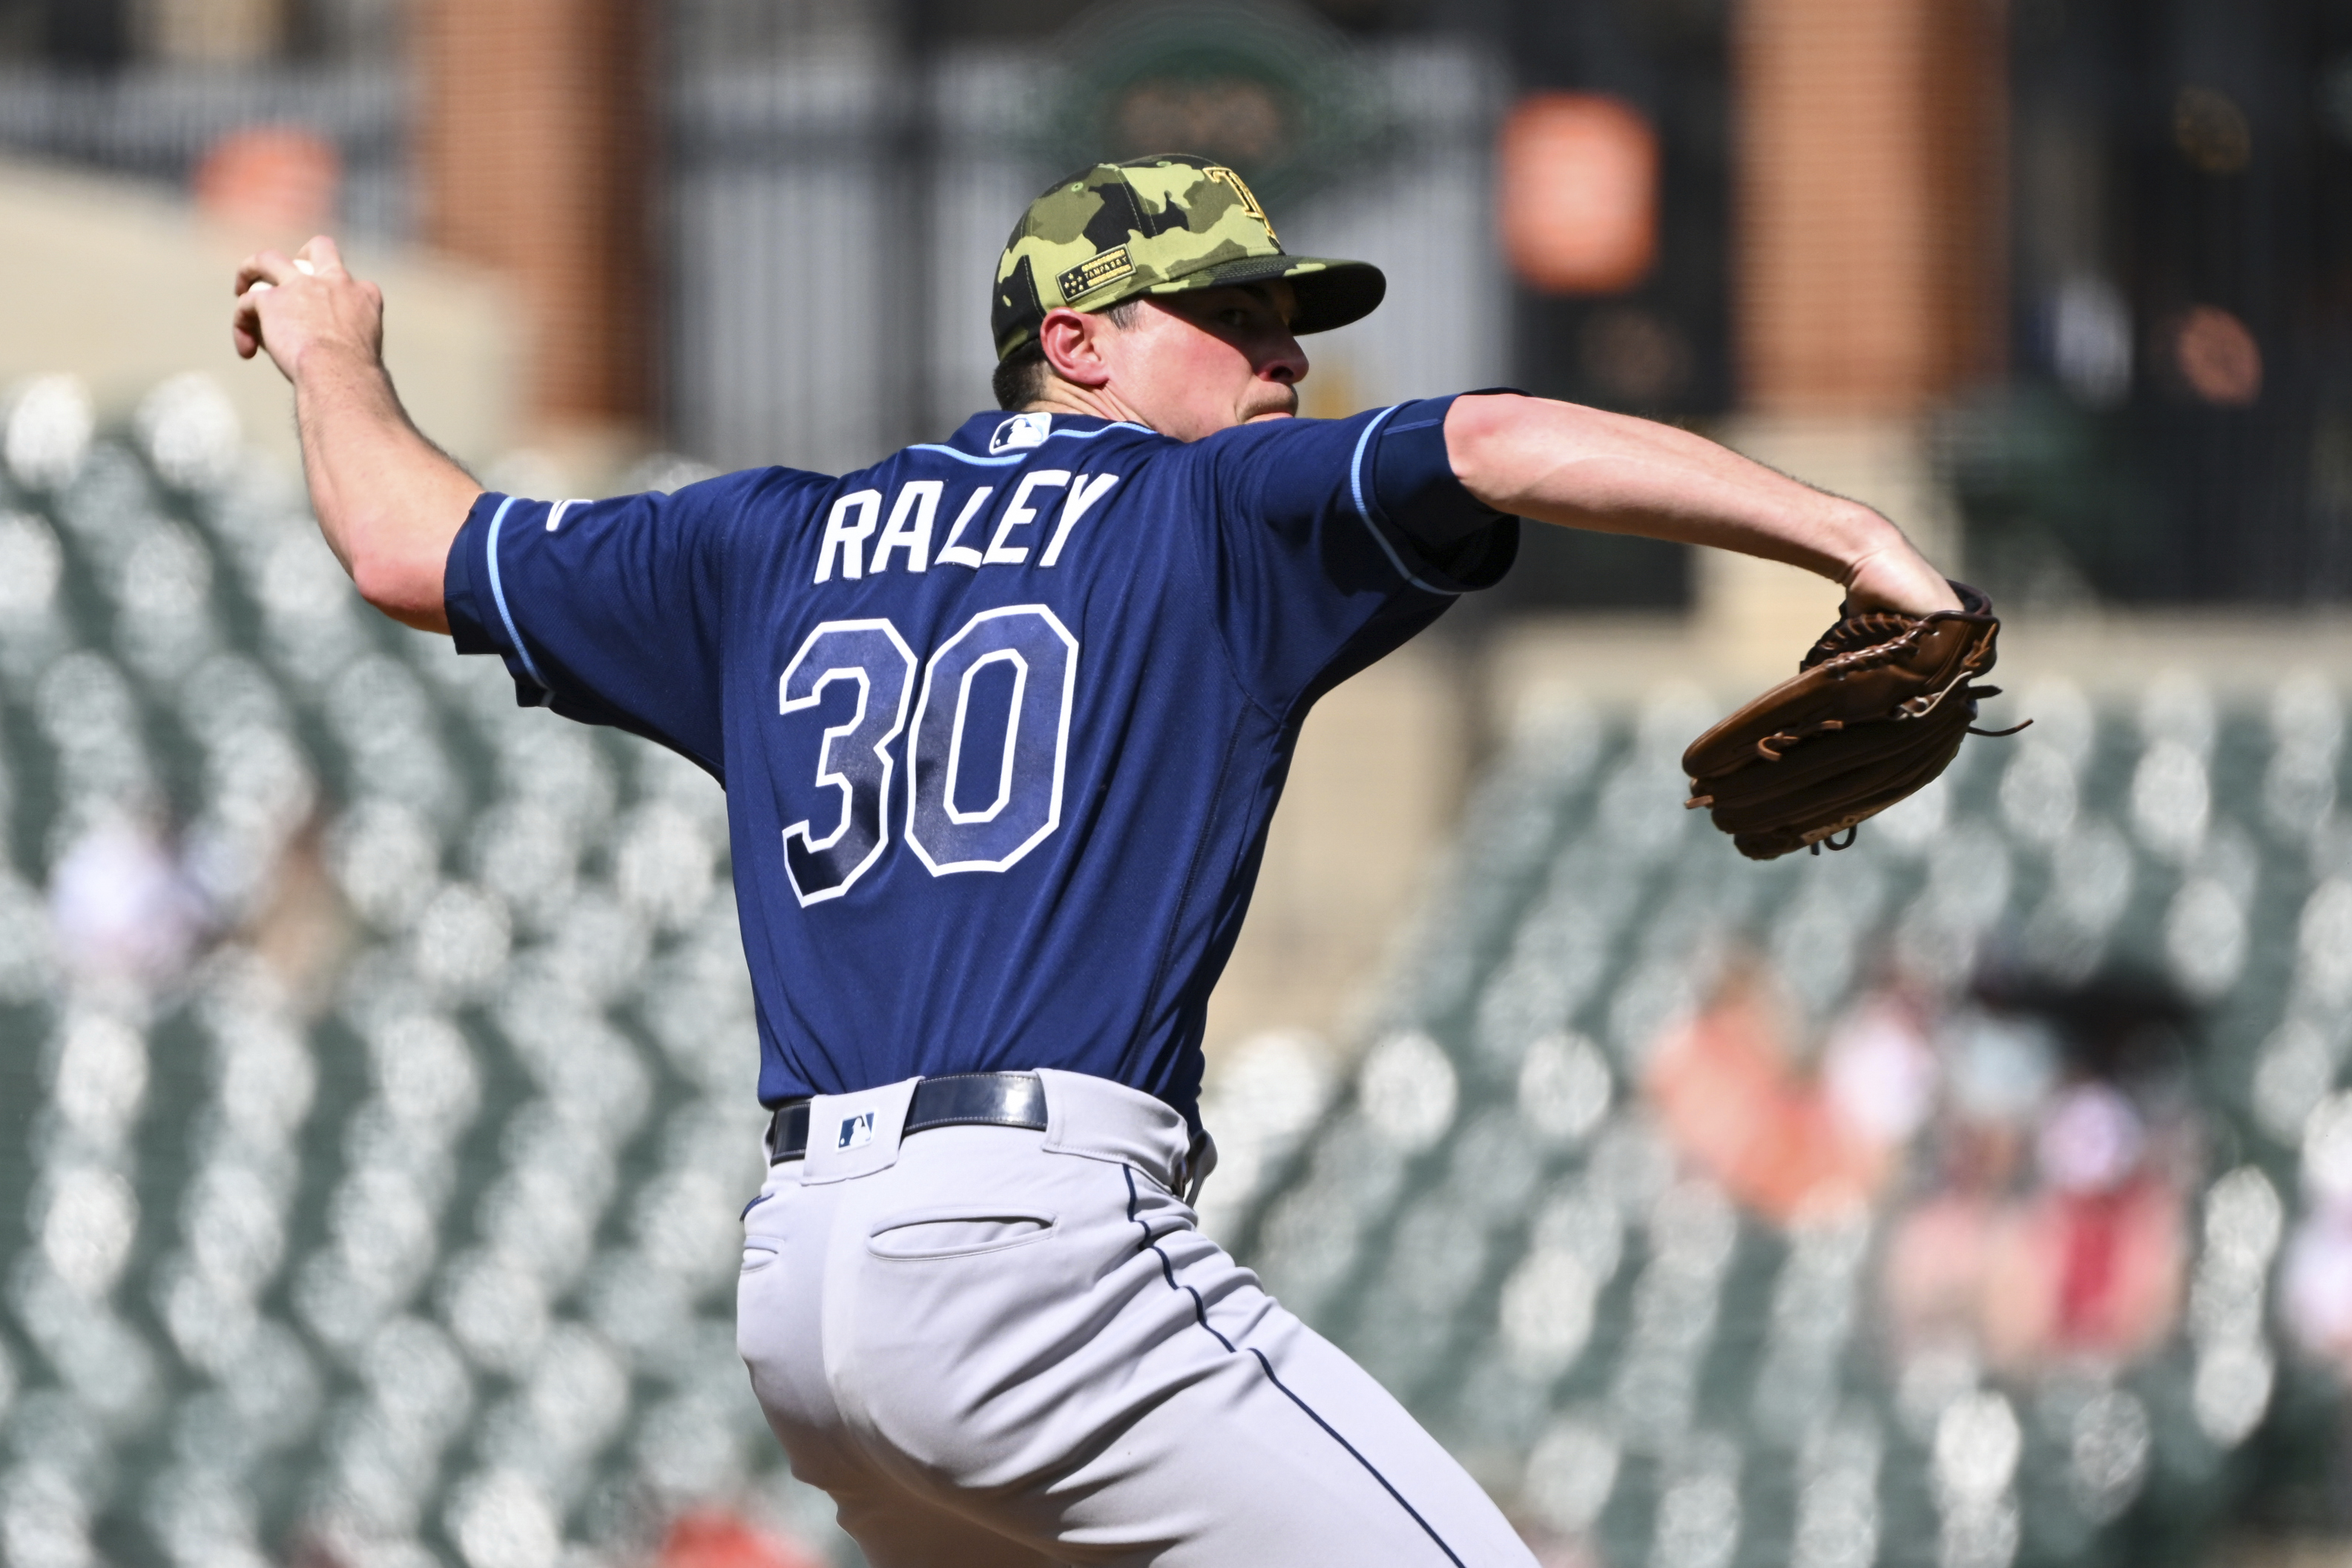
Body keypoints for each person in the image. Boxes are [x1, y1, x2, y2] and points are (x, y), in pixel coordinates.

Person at [234, 154, 1960, 1567]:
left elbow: (405, 543)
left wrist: (330, 353)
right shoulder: (1201, 515)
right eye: (1233, 322)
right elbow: (1494, 436)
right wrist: (1852, 532)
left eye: (1286, 331)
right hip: (1034, 1255)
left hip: (806, 1298)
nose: (1281, 367)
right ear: (1076, 343)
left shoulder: (764, 542)